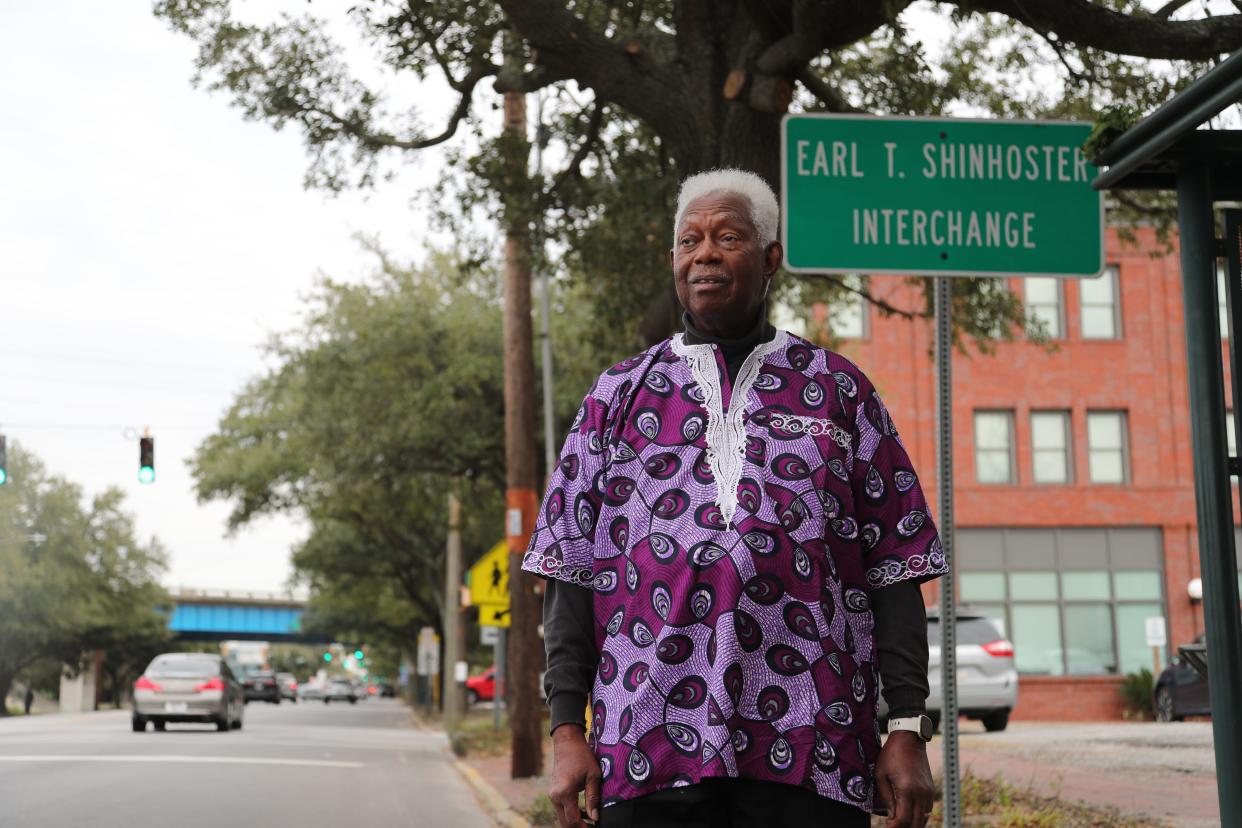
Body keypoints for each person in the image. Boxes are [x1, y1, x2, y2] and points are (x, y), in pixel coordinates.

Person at [523, 168, 946, 828]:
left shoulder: (839, 390)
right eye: (689, 240)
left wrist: (908, 725)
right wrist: (565, 730)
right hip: (644, 739)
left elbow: (896, 569)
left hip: (813, 744)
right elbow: (570, 573)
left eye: (727, 236)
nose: (705, 253)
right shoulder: (617, 396)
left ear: (771, 257)